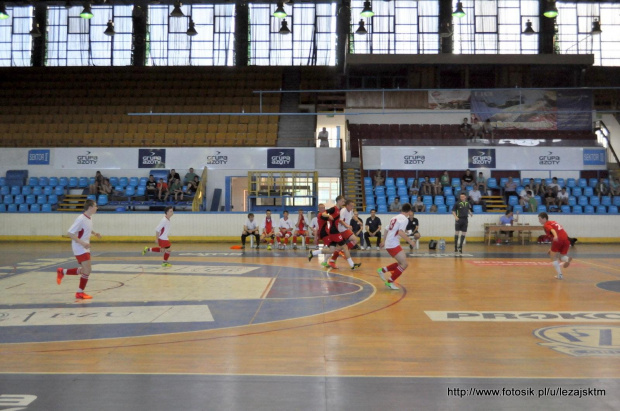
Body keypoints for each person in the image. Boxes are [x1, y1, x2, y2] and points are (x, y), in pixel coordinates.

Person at [56, 200, 101, 299]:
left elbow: (86, 228)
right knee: (88, 270)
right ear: (90, 207)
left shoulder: (89, 218)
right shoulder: (80, 219)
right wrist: (83, 243)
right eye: (95, 206)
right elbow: (70, 233)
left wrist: (94, 233)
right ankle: (79, 292)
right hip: (79, 247)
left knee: (85, 270)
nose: (97, 207)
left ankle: (62, 272)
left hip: (84, 247)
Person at [308, 196, 361, 270]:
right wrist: (329, 216)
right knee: (345, 247)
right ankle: (352, 265)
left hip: (333, 232)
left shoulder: (339, 209)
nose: (343, 203)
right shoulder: (334, 208)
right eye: (342, 201)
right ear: (338, 201)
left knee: (331, 250)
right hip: (334, 232)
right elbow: (323, 213)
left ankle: (313, 253)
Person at [376, 203, 417, 290]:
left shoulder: (395, 217)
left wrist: (384, 241)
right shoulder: (405, 219)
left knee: (401, 263)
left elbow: (387, 229)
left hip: (390, 243)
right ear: (409, 211)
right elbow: (400, 232)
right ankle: (390, 282)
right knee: (404, 264)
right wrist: (411, 242)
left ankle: (382, 270)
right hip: (393, 243)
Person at [538, 212, 572, 280]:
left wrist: (556, 236)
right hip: (566, 239)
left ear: (544, 218)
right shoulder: (553, 222)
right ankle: (567, 259)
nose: (539, 221)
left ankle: (560, 275)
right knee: (561, 256)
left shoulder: (546, 225)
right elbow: (560, 230)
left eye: (540, 219)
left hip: (558, 239)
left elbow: (552, 230)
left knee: (553, 257)